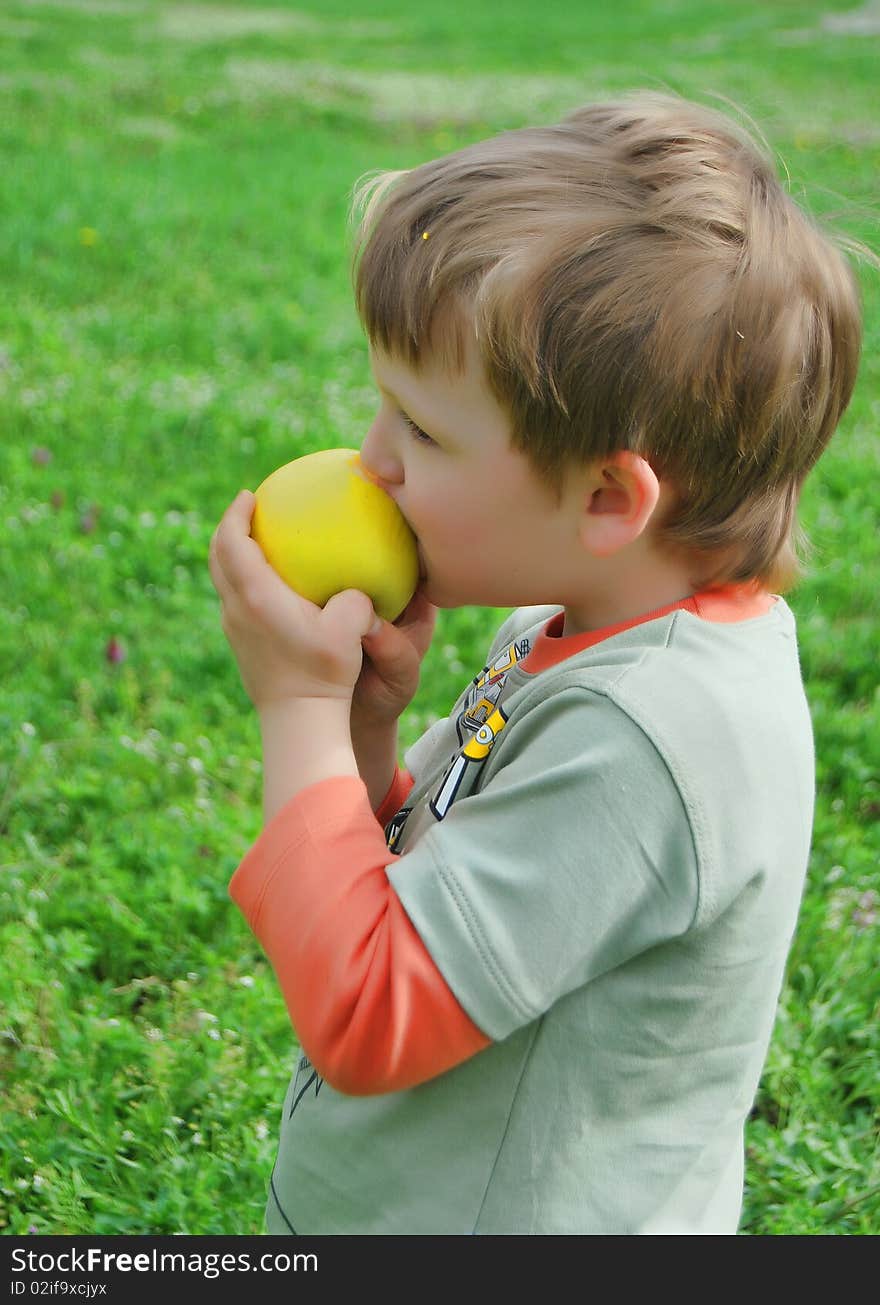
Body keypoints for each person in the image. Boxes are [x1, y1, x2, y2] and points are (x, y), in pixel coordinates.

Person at [208, 91, 864, 1234]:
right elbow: (423, 880)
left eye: (421, 429)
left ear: (608, 497)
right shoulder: (564, 633)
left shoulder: (653, 738)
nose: (372, 462)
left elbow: (368, 1012)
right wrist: (365, 731)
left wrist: (300, 707)